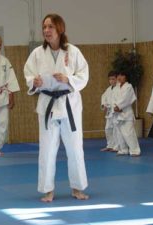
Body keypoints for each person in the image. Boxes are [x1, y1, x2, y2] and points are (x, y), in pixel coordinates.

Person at [24, 14, 89, 202]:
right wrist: (33, 82)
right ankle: (48, 190)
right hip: (47, 104)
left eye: (50, 26)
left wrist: (69, 79)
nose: (46, 30)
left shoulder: (73, 51)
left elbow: (84, 75)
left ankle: (77, 188)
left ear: (60, 29)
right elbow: (28, 74)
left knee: (75, 148)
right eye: (44, 27)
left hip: (69, 103)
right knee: (46, 149)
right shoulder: (37, 53)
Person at [113, 71, 141, 156]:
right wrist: (115, 107)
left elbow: (127, 99)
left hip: (126, 113)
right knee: (120, 133)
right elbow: (112, 99)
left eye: (122, 75)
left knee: (129, 133)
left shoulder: (129, 87)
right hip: (117, 114)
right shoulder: (115, 88)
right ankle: (123, 149)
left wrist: (119, 106)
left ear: (126, 77)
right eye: (118, 75)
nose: (119, 77)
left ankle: (135, 150)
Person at [100, 71, 119, 152]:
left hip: (116, 112)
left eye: (113, 79)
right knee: (108, 129)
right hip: (109, 112)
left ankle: (117, 146)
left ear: (117, 79)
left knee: (116, 129)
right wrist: (103, 104)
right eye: (110, 79)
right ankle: (110, 145)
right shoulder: (108, 89)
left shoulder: (119, 88)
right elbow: (103, 97)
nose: (111, 81)